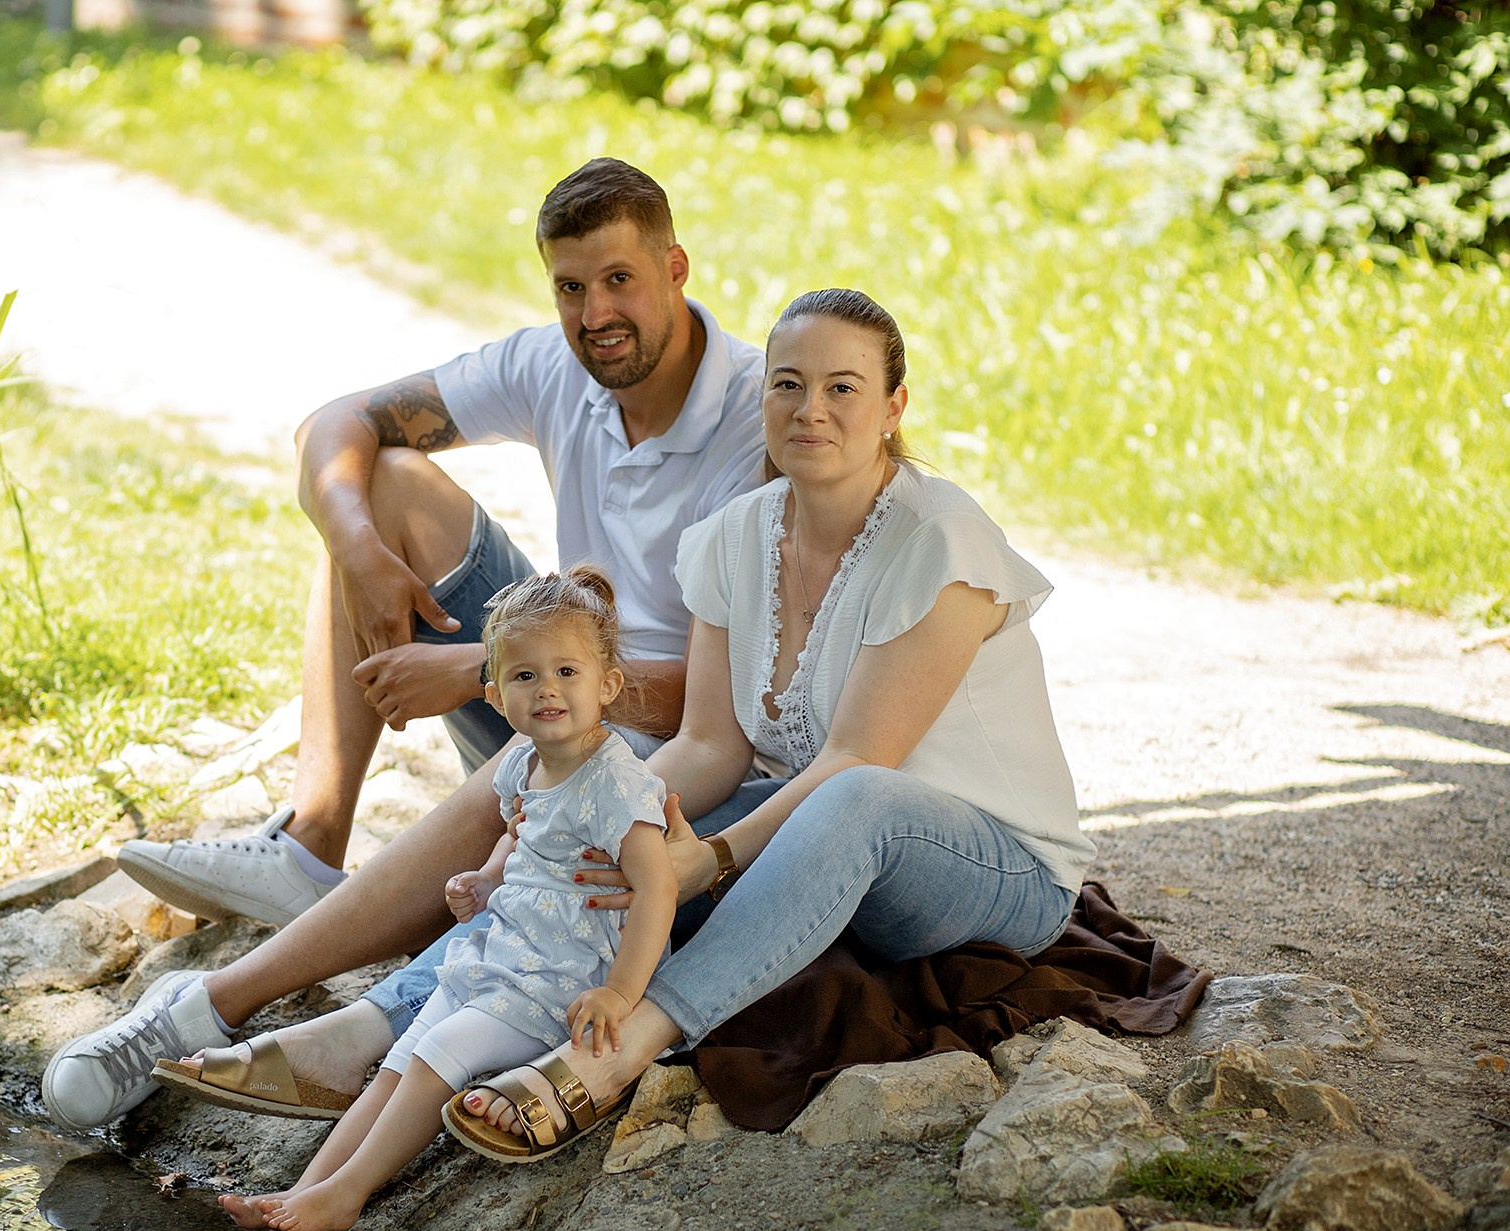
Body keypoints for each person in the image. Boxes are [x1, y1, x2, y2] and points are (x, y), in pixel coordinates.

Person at [169, 288, 1097, 1162]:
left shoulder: (941, 541)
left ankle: (612, 1055)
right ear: (764, 397)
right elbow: (708, 746)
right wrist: (546, 840)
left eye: (842, 387)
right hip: (820, 823)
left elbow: (860, 761)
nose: (811, 409)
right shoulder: (740, 536)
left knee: (845, 799)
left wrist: (713, 858)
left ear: (894, 406)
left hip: (992, 868)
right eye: (788, 384)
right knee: (616, 811)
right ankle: (378, 1027)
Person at [41, 159, 766, 1131]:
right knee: (380, 481)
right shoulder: (558, 366)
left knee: (544, 744)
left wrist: (478, 669)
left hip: (668, 754)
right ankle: (311, 839)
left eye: (618, 280)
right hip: (555, 686)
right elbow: (330, 424)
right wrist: (354, 544)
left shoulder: (759, 419)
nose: (594, 312)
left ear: (675, 267)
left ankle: (208, 1010)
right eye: (568, 287)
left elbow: (719, 706)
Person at [170, 566, 676, 1231]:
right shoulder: (524, 761)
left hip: (565, 981)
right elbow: (523, 836)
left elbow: (659, 886)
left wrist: (619, 992)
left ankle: (346, 1193)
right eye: (525, 676)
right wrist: (490, 878)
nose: (547, 690)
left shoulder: (616, 783)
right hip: (503, 956)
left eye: (567, 672)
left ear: (607, 683)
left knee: (440, 1055)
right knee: (402, 1057)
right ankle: (305, 1186)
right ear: (495, 694)